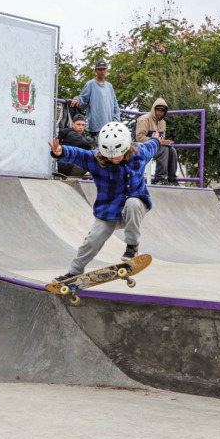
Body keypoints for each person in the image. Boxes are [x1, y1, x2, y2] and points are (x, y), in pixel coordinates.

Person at [48, 121, 171, 282]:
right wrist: (61, 152)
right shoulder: (96, 159)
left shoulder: (139, 153)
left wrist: (156, 140)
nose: (113, 159)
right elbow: (79, 155)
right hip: (109, 210)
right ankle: (74, 272)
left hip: (135, 206)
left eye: (117, 155)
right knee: (92, 240)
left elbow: (151, 146)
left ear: (127, 147)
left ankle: (132, 247)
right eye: (109, 156)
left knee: (132, 203)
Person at [69, 59, 120, 143]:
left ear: (107, 70)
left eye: (104, 69)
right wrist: (76, 99)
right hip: (96, 126)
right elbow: (82, 97)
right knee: (97, 150)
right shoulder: (91, 84)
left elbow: (115, 106)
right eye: (100, 69)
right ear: (96, 70)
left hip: (109, 126)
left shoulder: (109, 86)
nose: (102, 71)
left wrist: (116, 122)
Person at [136, 98, 178, 185]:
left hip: (155, 147)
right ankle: (159, 179)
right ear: (154, 109)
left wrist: (165, 142)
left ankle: (172, 179)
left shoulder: (163, 123)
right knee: (164, 150)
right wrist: (156, 141)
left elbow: (160, 140)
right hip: (141, 146)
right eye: (158, 110)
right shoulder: (144, 119)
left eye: (162, 111)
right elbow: (139, 137)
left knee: (171, 150)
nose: (160, 112)